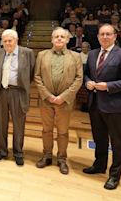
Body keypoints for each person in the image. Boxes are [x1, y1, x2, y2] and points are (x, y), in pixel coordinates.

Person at [34, 27, 83, 174]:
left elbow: (79, 79)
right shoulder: (42, 55)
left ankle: (62, 159)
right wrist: (48, 95)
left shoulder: (75, 56)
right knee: (46, 130)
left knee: (63, 132)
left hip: (65, 101)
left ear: (68, 39)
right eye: (56, 36)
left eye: (62, 36)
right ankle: (47, 155)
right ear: (52, 39)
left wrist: (64, 97)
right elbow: (37, 77)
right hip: (46, 100)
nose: (59, 39)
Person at [83, 24, 121, 190]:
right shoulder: (92, 54)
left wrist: (108, 85)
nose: (105, 37)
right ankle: (99, 165)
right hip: (95, 104)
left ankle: (114, 175)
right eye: (102, 34)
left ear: (115, 36)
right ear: (98, 36)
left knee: (117, 142)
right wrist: (88, 83)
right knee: (99, 138)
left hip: (115, 106)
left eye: (108, 34)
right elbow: (86, 74)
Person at [0, 29, 35, 166]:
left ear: (16, 41)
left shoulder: (27, 53)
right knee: (1, 124)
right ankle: (2, 151)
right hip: (2, 92)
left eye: (10, 40)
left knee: (18, 124)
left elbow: (31, 74)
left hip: (18, 92)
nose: (7, 43)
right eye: (5, 41)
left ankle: (18, 152)